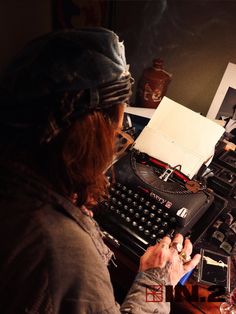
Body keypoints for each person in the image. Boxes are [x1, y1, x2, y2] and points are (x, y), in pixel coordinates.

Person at [0, 27, 201, 313]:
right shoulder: (65, 253)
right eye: (117, 132)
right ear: (87, 141)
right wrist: (156, 283)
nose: (118, 140)